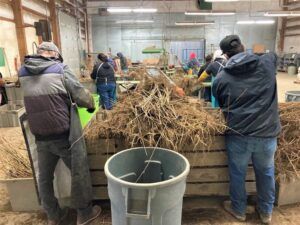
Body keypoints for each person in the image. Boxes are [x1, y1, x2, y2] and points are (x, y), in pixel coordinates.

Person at [19, 42, 101, 225]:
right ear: (54, 54)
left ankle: (53, 216)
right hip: (62, 133)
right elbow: (80, 95)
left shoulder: (22, 72)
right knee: (78, 172)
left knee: (45, 177)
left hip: (39, 134)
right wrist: (91, 105)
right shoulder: (60, 69)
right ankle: (84, 213)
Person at [212, 35, 281, 224]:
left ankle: (239, 210)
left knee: (237, 173)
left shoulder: (221, 78)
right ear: (243, 47)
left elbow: (219, 103)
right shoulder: (267, 63)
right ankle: (266, 212)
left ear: (225, 55)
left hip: (238, 135)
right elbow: (274, 56)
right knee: (266, 172)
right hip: (267, 134)